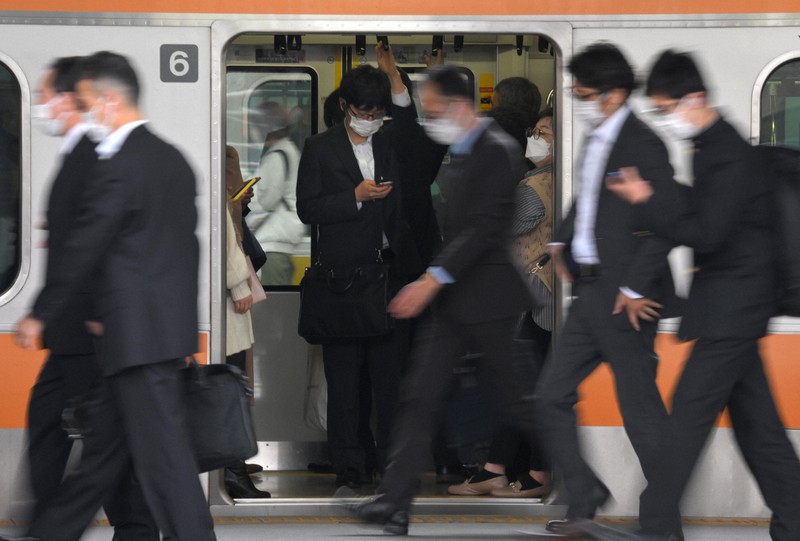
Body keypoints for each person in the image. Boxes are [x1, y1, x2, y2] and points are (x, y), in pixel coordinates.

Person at [13, 51, 215, 541]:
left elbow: (85, 246)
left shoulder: (119, 165)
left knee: (166, 469)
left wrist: (42, 313)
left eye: (84, 103)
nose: (83, 114)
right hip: (155, 336)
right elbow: (183, 249)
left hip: (134, 340)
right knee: (104, 457)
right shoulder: (173, 160)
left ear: (107, 101)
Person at [607, 50, 800, 541]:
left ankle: (654, 526)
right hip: (733, 310)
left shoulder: (727, 153)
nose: (667, 119)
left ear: (695, 99)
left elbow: (708, 233)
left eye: (667, 107)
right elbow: (709, 214)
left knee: (685, 425)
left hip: (731, 314)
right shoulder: (713, 148)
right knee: (762, 433)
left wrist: (648, 200)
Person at [345, 64, 537, 535]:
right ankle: (394, 503)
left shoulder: (497, 150)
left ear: (460, 105)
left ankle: (586, 485)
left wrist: (431, 279)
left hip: (490, 300)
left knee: (517, 404)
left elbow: (481, 230)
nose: (430, 119)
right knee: (420, 397)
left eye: (433, 110)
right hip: (457, 301)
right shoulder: (464, 150)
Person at [532, 42, 680, 538]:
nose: (579, 96)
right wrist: (559, 240)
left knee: (640, 412)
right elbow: (588, 200)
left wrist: (637, 286)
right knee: (551, 396)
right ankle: (585, 493)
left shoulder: (645, 144)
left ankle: (662, 523)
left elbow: (664, 224)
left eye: (585, 90)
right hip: (591, 294)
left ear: (615, 93)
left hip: (627, 299)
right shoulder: (599, 137)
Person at [17, 55, 158, 541]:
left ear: (70, 98)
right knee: (52, 427)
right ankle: (49, 525)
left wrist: (79, 312)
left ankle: (131, 526)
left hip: (87, 329)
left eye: (46, 96)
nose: (41, 107)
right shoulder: (82, 155)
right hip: (70, 330)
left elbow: (95, 246)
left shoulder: (94, 158)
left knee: (101, 441)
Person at [296, 64, 422, 490]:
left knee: (390, 382)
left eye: (377, 112)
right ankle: (349, 468)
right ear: (346, 106)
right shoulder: (319, 147)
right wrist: (353, 197)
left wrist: (398, 85)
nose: (370, 119)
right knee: (345, 383)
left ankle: (391, 466)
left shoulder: (389, 144)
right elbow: (307, 209)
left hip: (387, 276)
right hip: (342, 283)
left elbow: (413, 133)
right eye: (363, 111)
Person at [448, 108, 555, 499]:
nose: (536, 137)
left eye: (545, 132)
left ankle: (532, 471)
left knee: (529, 387)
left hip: (534, 299)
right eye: (535, 130)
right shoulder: (549, 181)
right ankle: (498, 467)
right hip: (541, 296)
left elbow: (497, 229)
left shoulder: (533, 187)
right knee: (522, 386)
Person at [245, 101, 305, 285]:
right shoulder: (287, 150)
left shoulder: (277, 156)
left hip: (274, 242)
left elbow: (267, 201)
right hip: (279, 240)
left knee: (273, 308)